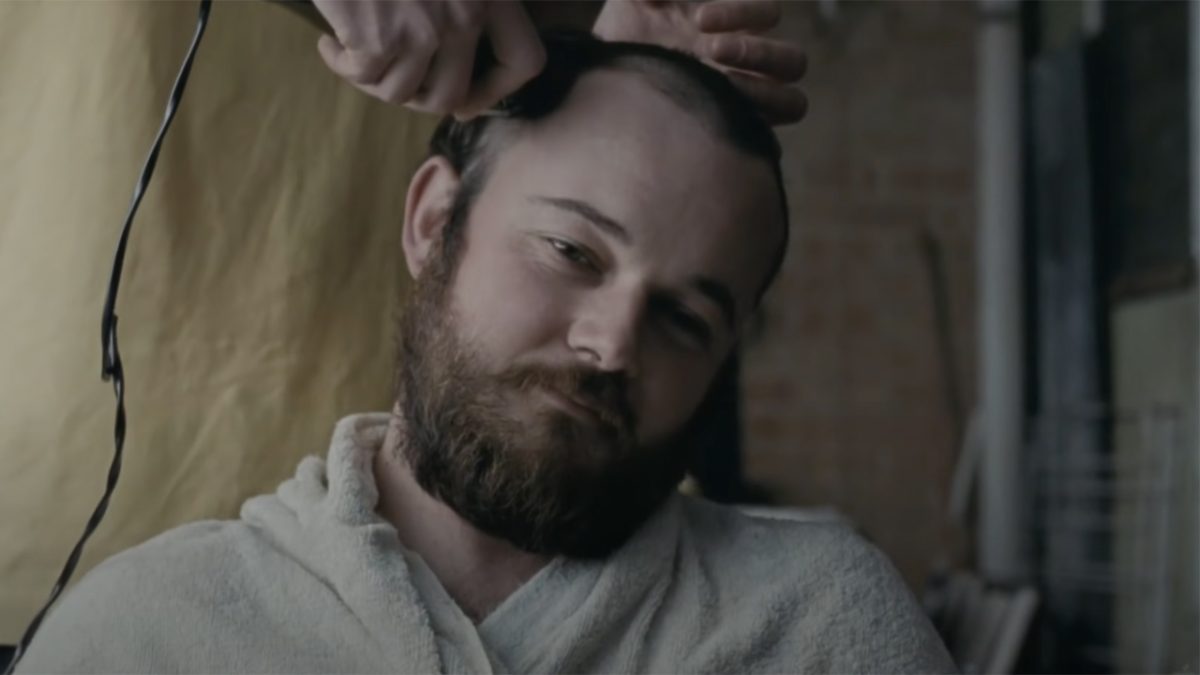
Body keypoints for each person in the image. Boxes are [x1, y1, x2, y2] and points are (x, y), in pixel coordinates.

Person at [16, 25, 953, 674]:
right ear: (433, 220)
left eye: (685, 319)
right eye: (571, 251)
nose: (611, 343)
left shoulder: (819, 629)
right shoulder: (144, 632)